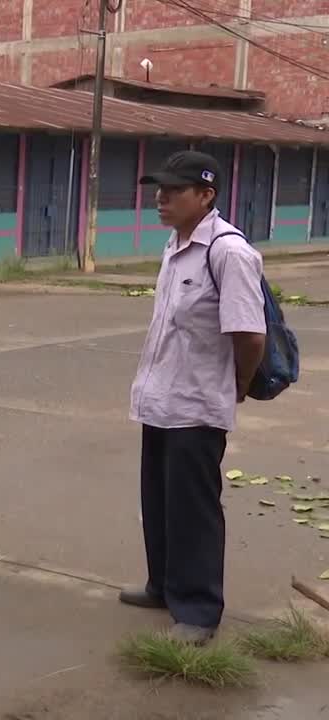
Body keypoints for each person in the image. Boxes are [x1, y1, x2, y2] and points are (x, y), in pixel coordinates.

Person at [121, 150, 266, 646]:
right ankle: (163, 586)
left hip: (198, 406)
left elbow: (249, 335)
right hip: (160, 401)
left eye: (174, 190)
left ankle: (199, 610)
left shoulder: (228, 252)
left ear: (206, 196)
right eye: (158, 189)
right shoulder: (174, 244)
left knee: (194, 510)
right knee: (159, 502)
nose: (161, 198)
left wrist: (239, 385)